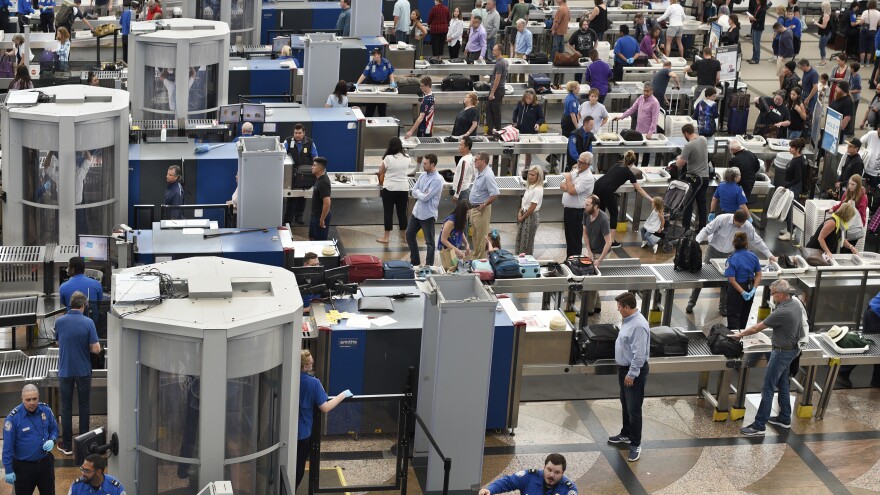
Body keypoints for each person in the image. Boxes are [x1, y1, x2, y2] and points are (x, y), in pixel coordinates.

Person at [735, 280, 805, 435]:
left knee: (767, 387)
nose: (771, 296)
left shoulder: (782, 312)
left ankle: (759, 425)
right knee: (783, 383)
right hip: (792, 348)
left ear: (780, 294)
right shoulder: (795, 302)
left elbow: (756, 327)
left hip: (781, 352)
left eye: (773, 293)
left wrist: (739, 335)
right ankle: (785, 418)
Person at [686, 210, 774, 315]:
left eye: (742, 225)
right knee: (702, 277)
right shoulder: (722, 219)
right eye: (737, 225)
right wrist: (695, 243)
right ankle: (691, 303)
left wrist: (769, 255)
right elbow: (706, 230)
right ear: (733, 219)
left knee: (727, 280)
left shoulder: (747, 226)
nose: (740, 227)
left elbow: (757, 240)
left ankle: (723, 307)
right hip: (713, 251)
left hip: (729, 254)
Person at [54, 291, 101, 456]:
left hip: (65, 370)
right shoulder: (88, 323)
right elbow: (96, 349)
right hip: (83, 371)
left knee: (66, 407)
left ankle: (66, 445)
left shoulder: (59, 321)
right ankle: (84, 443)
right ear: (84, 305)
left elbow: (59, 342)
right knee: (84, 406)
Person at [296, 350, 350, 488]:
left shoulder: (289, 378)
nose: (312, 364)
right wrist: (342, 395)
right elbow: (325, 407)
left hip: (285, 432)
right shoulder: (313, 383)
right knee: (298, 469)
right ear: (305, 366)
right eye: (310, 363)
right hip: (302, 434)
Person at [608, 291, 650, 462]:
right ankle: (626, 433)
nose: (617, 309)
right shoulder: (629, 320)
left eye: (619, 307)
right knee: (625, 404)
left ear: (627, 307)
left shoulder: (638, 326)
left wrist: (632, 374)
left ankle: (635, 443)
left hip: (633, 373)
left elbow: (639, 355)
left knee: (634, 409)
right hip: (624, 369)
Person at [2, 384, 58, 494]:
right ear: (22, 398)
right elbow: (8, 447)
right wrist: (8, 470)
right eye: (28, 399)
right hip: (23, 468)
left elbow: (54, 429)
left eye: (34, 399)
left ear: (38, 396)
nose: (32, 402)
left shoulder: (46, 410)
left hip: (45, 464)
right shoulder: (13, 418)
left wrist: (53, 440)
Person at [593, 150, 653, 235]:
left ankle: (598, 234)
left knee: (600, 211)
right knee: (614, 213)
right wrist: (650, 198)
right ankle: (611, 240)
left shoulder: (616, 164)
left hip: (597, 185)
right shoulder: (628, 172)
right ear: (633, 163)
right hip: (606, 190)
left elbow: (613, 176)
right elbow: (639, 189)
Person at [837, 290, 880, 388]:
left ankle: (877, 381)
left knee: (873, 347)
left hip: (874, 311)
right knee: (868, 345)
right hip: (875, 315)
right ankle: (842, 372)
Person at [406, 154, 444, 266]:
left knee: (430, 242)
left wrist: (419, 193)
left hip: (428, 215)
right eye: (423, 163)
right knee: (409, 234)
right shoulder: (422, 176)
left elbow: (425, 197)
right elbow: (413, 191)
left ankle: (429, 266)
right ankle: (415, 262)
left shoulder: (437, 179)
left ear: (433, 164)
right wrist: (419, 193)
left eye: (426, 163)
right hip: (416, 212)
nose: (424, 165)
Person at [479, 454, 578, 495]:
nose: (551, 475)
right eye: (549, 470)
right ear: (544, 467)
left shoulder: (569, 489)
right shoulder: (530, 477)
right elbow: (508, 482)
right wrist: (489, 490)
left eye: (557, 472)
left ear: (563, 473)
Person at [614, 83, 660, 166]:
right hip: (639, 130)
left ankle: (644, 169)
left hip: (648, 132)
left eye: (647, 91)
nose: (645, 93)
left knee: (646, 153)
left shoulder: (655, 103)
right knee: (637, 150)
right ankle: (634, 168)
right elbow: (632, 109)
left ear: (652, 91)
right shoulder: (640, 98)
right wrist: (621, 116)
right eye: (644, 91)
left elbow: (655, 119)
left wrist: (650, 132)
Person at [725, 232, 763, 331]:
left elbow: (732, 280)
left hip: (736, 289)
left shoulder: (731, 259)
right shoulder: (753, 256)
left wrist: (742, 292)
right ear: (746, 244)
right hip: (750, 287)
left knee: (733, 316)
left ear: (734, 244)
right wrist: (754, 289)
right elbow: (759, 274)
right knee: (744, 314)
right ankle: (741, 336)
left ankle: (733, 340)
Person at [561, 152, 595, 257]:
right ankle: (569, 260)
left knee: (575, 240)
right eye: (578, 160)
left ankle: (575, 261)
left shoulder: (588, 177)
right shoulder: (576, 171)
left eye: (581, 162)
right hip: (568, 210)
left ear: (588, 164)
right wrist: (570, 186)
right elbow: (562, 186)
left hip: (577, 212)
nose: (578, 163)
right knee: (569, 238)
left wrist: (568, 178)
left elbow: (571, 191)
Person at [377, 138, 411, 243]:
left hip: (389, 188)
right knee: (402, 213)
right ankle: (405, 236)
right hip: (403, 188)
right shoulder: (408, 157)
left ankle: (386, 237)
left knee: (388, 212)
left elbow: (381, 171)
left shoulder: (388, 158)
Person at [285, 124, 319, 225]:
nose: (297, 135)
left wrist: (317, 169)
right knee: (291, 197)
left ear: (304, 133)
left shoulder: (310, 142)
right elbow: (283, 153)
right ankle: (288, 220)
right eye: (295, 133)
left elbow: (315, 157)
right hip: (291, 173)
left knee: (302, 197)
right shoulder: (288, 141)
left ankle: (299, 217)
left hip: (305, 175)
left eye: (299, 133)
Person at [469, 152, 500, 259]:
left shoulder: (488, 175)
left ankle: (481, 259)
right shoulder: (479, 171)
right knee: (475, 235)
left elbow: (495, 193)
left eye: (476, 160)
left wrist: (484, 204)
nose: (474, 161)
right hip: (474, 208)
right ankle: (476, 256)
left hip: (481, 209)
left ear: (483, 161)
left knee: (482, 236)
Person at [831, 174, 868, 254]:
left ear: (858, 185)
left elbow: (862, 214)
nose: (850, 186)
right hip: (845, 225)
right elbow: (841, 204)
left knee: (847, 250)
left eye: (853, 184)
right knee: (841, 248)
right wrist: (833, 209)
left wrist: (851, 206)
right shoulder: (847, 193)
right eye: (849, 184)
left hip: (854, 227)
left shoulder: (863, 196)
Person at [778, 138, 807, 240]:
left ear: (798, 149)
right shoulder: (797, 158)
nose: (790, 149)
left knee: (790, 209)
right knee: (788, 207)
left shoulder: (797, 161)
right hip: (792, 186)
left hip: (794, 187)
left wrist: (788, 185)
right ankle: (790, 228)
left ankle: (790, 233)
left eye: (792, 147)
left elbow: (798, 178)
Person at [356, 49, 396, 117]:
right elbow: (364, 74)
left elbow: (390, 73)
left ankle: (382, 123)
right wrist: (357, 84)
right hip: (372, 84)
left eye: (374, 55)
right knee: (370, 108)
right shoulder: (371, 63)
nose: (373, 57)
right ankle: (367, 123)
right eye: (373, 55)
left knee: (382, 108)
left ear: (379, 55)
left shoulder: (386, 62)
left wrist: (393, 82)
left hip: (383, 85)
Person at [512, 89, 544, 171]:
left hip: (531, 132)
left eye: (530, 99)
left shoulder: (537, 106)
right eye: (527, 99)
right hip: (520, 130)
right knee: (515, 149)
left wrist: (537, 124)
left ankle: (526, 169)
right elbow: (515, 112)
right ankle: (513, 167)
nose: (528, 101)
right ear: (524, 98)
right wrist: (514, 121)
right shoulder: (520, 103)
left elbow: (541, 117)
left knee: (528, 152)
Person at [516, 165, 544, 254]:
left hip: (530, 217)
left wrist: (522, 217)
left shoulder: (538, 189)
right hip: (524, 214)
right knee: (521, 238)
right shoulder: (530, 186)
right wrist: (520, 212)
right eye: (529, 174)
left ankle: (526, 260)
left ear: (538, 177)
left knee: (527, 242)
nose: (530, 177)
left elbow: (532, 207)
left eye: (533, 175)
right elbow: (524, 202)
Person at [438, 200, 471, 272]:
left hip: (454, 248)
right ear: (462, 213)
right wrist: (457, 250)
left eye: (469, 213)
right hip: (447, 250)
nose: (468, 215)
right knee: (449, 270)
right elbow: (443, 239)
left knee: (456, 269)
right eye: (467, 213)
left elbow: (460, 231)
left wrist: (467, 244)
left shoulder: (461, 219)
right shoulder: (451, 222)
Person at [583, 194, 614, 268]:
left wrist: (599, 260)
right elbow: (585, 233)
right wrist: (589, 251)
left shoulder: (603, 220)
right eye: (585, 204)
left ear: (596, 207)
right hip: (592, 250)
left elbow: (608, 242)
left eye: (587, 205)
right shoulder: (586, 213)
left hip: (602, 253)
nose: (585, 207)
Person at [309, 157, 332, 241]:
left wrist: (322, 220)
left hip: (320, 216)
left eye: (314, 165)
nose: (312, 167)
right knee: (312, 237)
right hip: (315, 215)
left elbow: (327, 203)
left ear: (319, 168)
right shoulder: (319, 179)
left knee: (319, 242)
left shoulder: (323, 182)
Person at [486, 44, 507, 132]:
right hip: (500, 89)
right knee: (492, 110)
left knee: (494, 111)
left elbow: (497, 79)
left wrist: (492, 92)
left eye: (494, 50)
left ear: (499, 51)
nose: (492, 51)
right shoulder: (504, 62)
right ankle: (492, 129)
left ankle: (495, 130)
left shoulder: (499, 64)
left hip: (497, 90)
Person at [452, 137, 475, 202]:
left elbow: (461, 178)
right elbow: (473, 173)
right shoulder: (470, 157)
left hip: (462, 192)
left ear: (467, 147)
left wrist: (456, 194)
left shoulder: (464, 161)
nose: (459, 147)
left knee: (462, 211)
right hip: (466, 188)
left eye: (461, 145)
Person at [774, 22, 795, 86]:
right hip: (784, 55)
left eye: (776, 30)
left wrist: (784, 56)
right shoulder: (788, 30)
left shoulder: (786, 35)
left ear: (779, 28)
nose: (776, 32)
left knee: (782, 74)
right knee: (783, 74)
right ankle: (782, 88)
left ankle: (782, 89)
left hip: (785, 57)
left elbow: (790, 48)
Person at [815, 2, 833, 66]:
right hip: (825, 33)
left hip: (825, 33)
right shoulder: (826, 14)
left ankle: (823, 61)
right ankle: (823, 60)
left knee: (822, 47)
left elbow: (824, 26)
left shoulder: (826, 15)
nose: (821, 7)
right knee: (821, 47)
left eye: (822, 6)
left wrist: (816, 23)